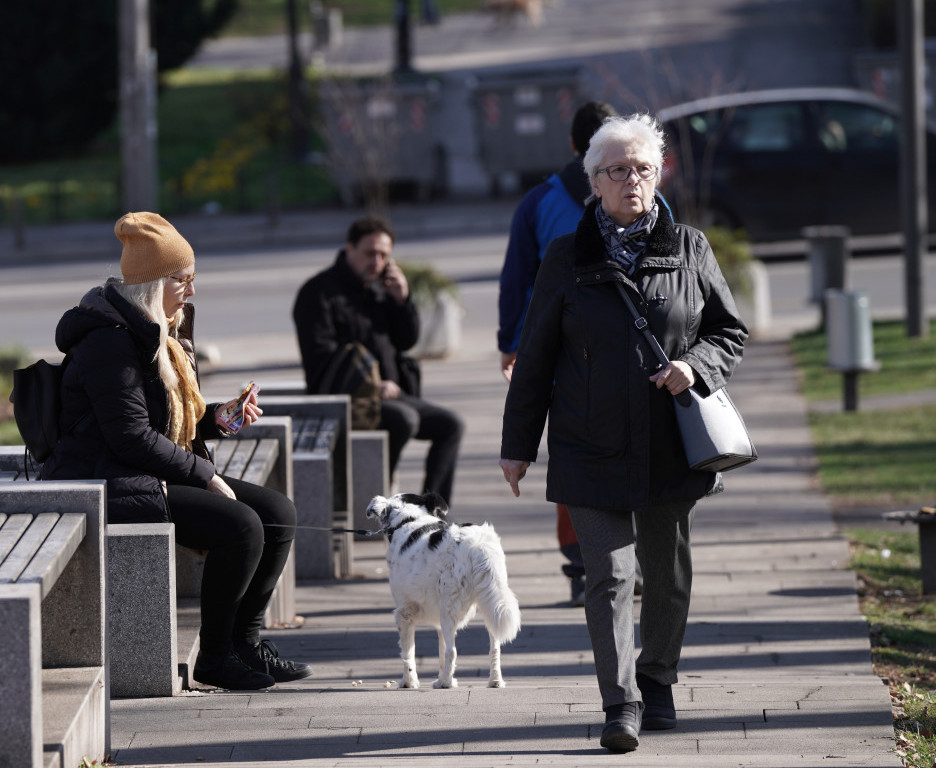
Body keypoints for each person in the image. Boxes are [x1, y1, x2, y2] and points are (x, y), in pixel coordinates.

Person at [499, 114, 747, 753]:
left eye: (643, 168)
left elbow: (728, 331)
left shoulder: (689, 247)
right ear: (594, 181)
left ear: (658, 175)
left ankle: (656, 679)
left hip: (670, 441)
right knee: (607, 575)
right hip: (589, 442)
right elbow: (536, 356)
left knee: (666, 572)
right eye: (618, 170)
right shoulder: (565, 257)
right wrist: (517, 446)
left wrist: (694, 366)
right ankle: (620, 702)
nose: (632, 180)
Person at [41, 211, 312, 691]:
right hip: (105, 479)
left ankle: (246, 645)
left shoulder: (160, 328)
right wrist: (204, 475)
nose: (191, 290)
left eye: (192, 278)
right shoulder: (109, 342)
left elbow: (164, 419)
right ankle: (216, 657)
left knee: (278, 513)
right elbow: (130, 436)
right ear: (151, 284)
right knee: (241, 526)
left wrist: (216, 417)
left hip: (139, 469)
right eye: (182, 280)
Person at [498, 100, 617, 607]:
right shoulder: (645, 195)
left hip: (560, 356)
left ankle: (582, 566)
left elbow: (516, 277)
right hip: (629, 356)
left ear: (572, 144)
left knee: (572, 457)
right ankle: (629, 559)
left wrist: (510, 343)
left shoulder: (540, 201)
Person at [293, 215, 464, 503]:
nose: (377, 262)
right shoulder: (318, 292)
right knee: (404, 419)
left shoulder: (380, 288)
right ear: (349, 248)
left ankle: (429, 512)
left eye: (384, 255)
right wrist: (371, 385)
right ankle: (373, 497)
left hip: (390, 396)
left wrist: (401, 300)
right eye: (370, 253)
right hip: (343, 399)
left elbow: (406, 341)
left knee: (451, 425)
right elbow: (319, 356)